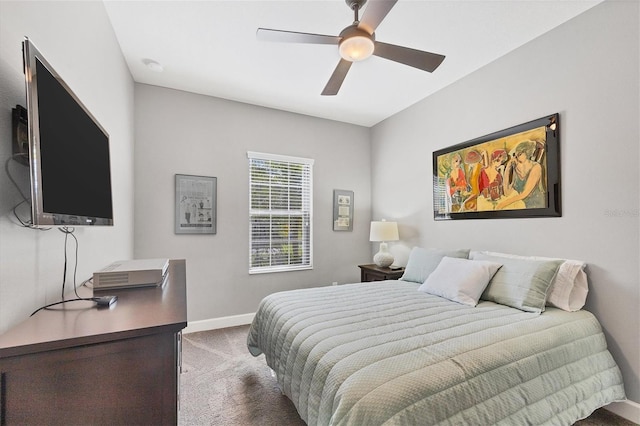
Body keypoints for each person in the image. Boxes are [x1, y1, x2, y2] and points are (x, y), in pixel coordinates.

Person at [497, 140, 545, 210]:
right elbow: (507, 192)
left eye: (519, 154)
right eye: (515, 154)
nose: (516, 156)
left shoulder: (536, 167)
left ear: (527, 153)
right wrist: (508, 168)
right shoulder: (516, 168)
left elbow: (525, 194)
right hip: (521, 204)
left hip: (535, 205)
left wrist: (503, 203)